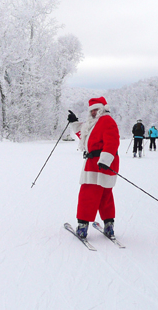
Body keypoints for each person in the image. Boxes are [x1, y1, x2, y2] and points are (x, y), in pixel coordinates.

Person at [66, 97, 120, 240]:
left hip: (99, 164)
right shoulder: (95, 123)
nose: (94, 112)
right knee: (104, 196)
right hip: (99, 163)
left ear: (103, 108)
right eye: (92, 110)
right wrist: (74, 122)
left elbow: (113, 141)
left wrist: (105, 160)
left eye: (97, 109)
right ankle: (109, 226)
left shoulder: (107, 120)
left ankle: (82, 227)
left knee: (87, 195)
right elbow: (86, 136)